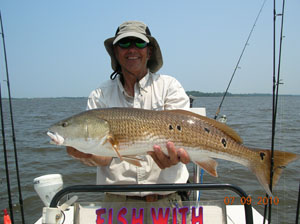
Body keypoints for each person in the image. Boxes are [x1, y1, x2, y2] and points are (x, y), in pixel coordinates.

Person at [67, 21, 192, 222]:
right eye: (124, 44)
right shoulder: (100, 96)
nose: (132, 49)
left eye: (139, 43)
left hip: (167, 202)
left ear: (149, 52)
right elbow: (105, 158)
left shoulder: (169, 86)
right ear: (116, 52)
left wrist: (178, 156)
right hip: (118, 206)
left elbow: (186, 136)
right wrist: (88, 153)